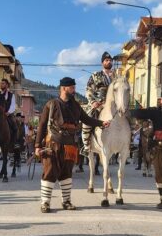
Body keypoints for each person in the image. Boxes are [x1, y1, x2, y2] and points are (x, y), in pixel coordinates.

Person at [34, 77, 110, 213]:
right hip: (53, 144)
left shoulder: (76, 106)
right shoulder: (51, 104)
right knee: (49, 172)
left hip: (70, 145)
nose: (74, 90)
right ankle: (45, 203)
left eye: (74, 88)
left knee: (66, 173)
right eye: (72, 88)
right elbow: (41, 125)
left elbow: (86, 119)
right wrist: (37, 146)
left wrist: (101, 123)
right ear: (64, 88)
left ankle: (66, 201)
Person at [81, 51, 115, 157]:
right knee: (87, 121)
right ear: (102, 63)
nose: (109, 62)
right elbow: (88, 90)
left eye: (110, 60)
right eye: (106, 60)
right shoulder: (96, 75)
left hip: (114, 105)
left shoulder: (116, 76)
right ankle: (86, 146)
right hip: (99, 105)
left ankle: (128, 142)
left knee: (127, 118)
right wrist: (93, 102)